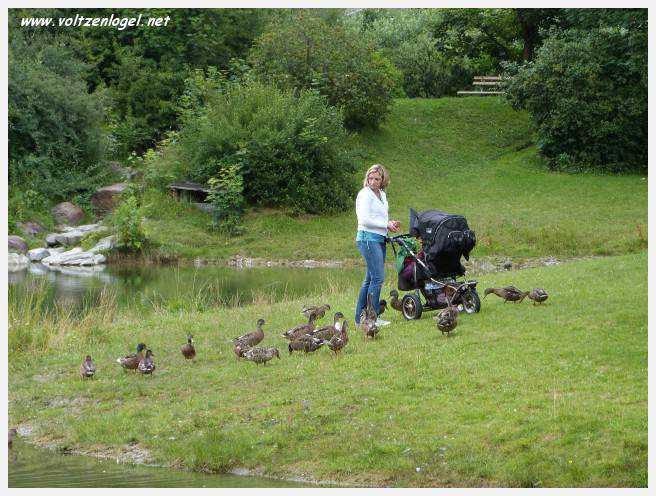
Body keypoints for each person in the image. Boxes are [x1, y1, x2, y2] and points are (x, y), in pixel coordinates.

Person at [354, 164, 400, 326]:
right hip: (367, 238)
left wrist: (389, 223)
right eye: (370, 178)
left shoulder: (382, 194)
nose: (372, 182)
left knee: (370, 279)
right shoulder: (365, 194)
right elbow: (364, 220)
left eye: (377, 179)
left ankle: (360, 318)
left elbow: (379, 217)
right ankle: (372, 318)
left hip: (379, 238)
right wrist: (385, 225)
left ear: (383, 180)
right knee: (378, 278)